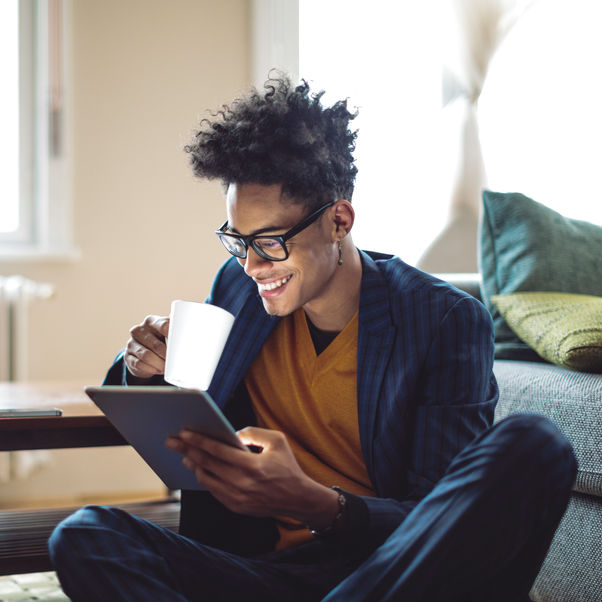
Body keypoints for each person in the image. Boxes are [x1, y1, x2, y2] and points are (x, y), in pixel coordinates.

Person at [49, 75, 576, 602]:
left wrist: (315, 502)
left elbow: (439, 518)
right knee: (87, 534)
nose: (253, 265)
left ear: (339, 221)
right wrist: (139, 368)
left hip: (382, 572)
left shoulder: (442, 320)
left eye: (271, 242)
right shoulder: (236, 287)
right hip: (261, 571)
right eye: (238, 240)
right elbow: (186, 416)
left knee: (536, 444)